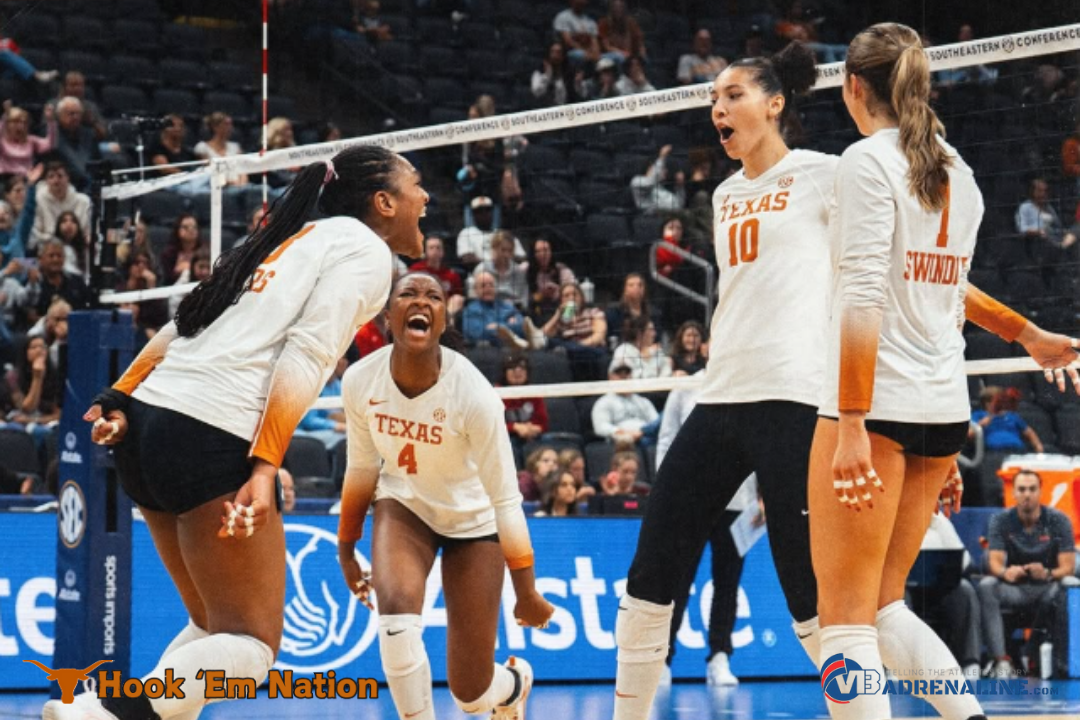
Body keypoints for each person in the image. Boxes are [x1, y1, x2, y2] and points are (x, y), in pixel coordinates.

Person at [611, 37, 1079, 720]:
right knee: (647, 581)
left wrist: (1020, 332)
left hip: (800, 405)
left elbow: (918, 271)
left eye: (733, 94)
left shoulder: (829, 173)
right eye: (713, 98)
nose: (718, 108)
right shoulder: (723, 193)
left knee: (831, 617)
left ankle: (946, 708)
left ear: (776, 104)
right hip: (720, 397)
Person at [49, 145, 430, 720]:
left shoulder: (285, 239)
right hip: (210, 432)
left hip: (147, 426)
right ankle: (101, 713)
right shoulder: (367, 253)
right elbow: (307, 354)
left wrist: (119, 396)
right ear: (384, 202)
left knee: (211, 627)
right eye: (416, 185)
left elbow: (187, 321)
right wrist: (265, 465)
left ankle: (106, 714)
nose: (425, 197)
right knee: (251, 648)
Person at [807, 23, 1058, 720]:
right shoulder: (960, 171)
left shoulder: (865, 161)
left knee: (845, 622)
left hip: (876, 410)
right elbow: (946, 290)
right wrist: (1025, 332)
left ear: (853, 87)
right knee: (884, 607)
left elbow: (864, 296)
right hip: (942, 412)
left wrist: (850, 422)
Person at [336, 272, 554, 720]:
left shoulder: (474, 395)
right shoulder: (360, 380)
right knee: (395, 625)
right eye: (408, 293)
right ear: (388, 314)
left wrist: (527, 592)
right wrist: (345, 551)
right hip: (405, 504)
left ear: (443, 318)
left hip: (475, 522)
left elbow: (506, 500)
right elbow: (361, 469)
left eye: (433, 296)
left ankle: (512, 685)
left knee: (471, 695)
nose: (421, 301)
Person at [657, 372, 753, 687]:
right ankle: (662, 660)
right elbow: (667, 440)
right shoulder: (686, 387)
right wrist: (665, 492)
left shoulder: (750, 382)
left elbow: (760, 445)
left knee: (728, 583)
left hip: (737, 501)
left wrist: (762, 495)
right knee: (678, 581)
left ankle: (719, 656)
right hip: (690, 499)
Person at [977, 470, 1076, 678]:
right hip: (1014, 588)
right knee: (986, 586)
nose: (1027, 494)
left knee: (1067, 585)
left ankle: (1052, 660)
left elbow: (1068, 566)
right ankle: (1001, 661)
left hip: (1048, 587)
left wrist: (1047, 573)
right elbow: (994, 562)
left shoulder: (1059, 520)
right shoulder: (1000, 520)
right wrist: (1006, 572)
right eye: (1022, 489)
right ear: (1013, 493)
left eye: (1032, 489)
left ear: (1040, 492)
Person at [541, 280, 607, 381]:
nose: (571, 298)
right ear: (561, 301)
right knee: (550, 342)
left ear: (581, 297)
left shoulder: (594, 312)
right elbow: (542, 336)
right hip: (570, 355)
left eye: (575, 294)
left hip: (590, 350)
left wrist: (577, 346)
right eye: (566, 296)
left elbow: (599, 336)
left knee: (560, 346)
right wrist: (557, 314)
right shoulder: (562, 320)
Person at [591, 363, 660, 447]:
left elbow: (656, 421)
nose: (624, 378)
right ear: (610, 377)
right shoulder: (604, 401)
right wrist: (622, 432)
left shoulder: (643, 401)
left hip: (647, 437)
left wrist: (642, 432)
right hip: (622, 442)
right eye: (620, 375)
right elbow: (600, 427)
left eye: (627, 374)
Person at [460, 270, 526, 348]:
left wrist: (497, 327)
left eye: (491, 285)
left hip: (513, 349)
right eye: (483, 285)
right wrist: (508, 326)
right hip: (486, 351)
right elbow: (477, 334)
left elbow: (523, 327)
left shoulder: (507, 306)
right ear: (476, 290)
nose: (488, 288)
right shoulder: (470, 311)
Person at [501, 353, 549, 461]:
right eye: (512, 367)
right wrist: (515, 427)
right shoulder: (497, 392)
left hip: (531, 436)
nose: (517, 371)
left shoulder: (533, 392)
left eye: (522, 368)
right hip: (507, 437)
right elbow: (493, 424)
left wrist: (533, 428)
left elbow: (543, 423)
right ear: (504, 372)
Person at [610, 315, 672, 380]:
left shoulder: (657, 351)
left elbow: (667, 372)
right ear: (639, 333)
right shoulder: (623, 351)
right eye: (651, 330)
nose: (654, 334)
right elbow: (617, 377)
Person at [193, 112, 248, 186]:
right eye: (226, 124)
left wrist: (242, 184)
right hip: (216, 186)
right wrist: (229, 183)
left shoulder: (235, 146)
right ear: (215, 127)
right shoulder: (202, 147)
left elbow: (242, 170)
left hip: (238, 184)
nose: (230, 128)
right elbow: (211, 171)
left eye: (231, 124)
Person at [0, 104, 55, 177]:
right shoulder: (2, 141)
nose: (20, 126)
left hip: (26, 179)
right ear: (7, 124)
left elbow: (49, 144)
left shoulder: (31, 141)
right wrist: (4, 118)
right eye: (16, 122)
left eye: (24, 123)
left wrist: (51, 122)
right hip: (4, 179)